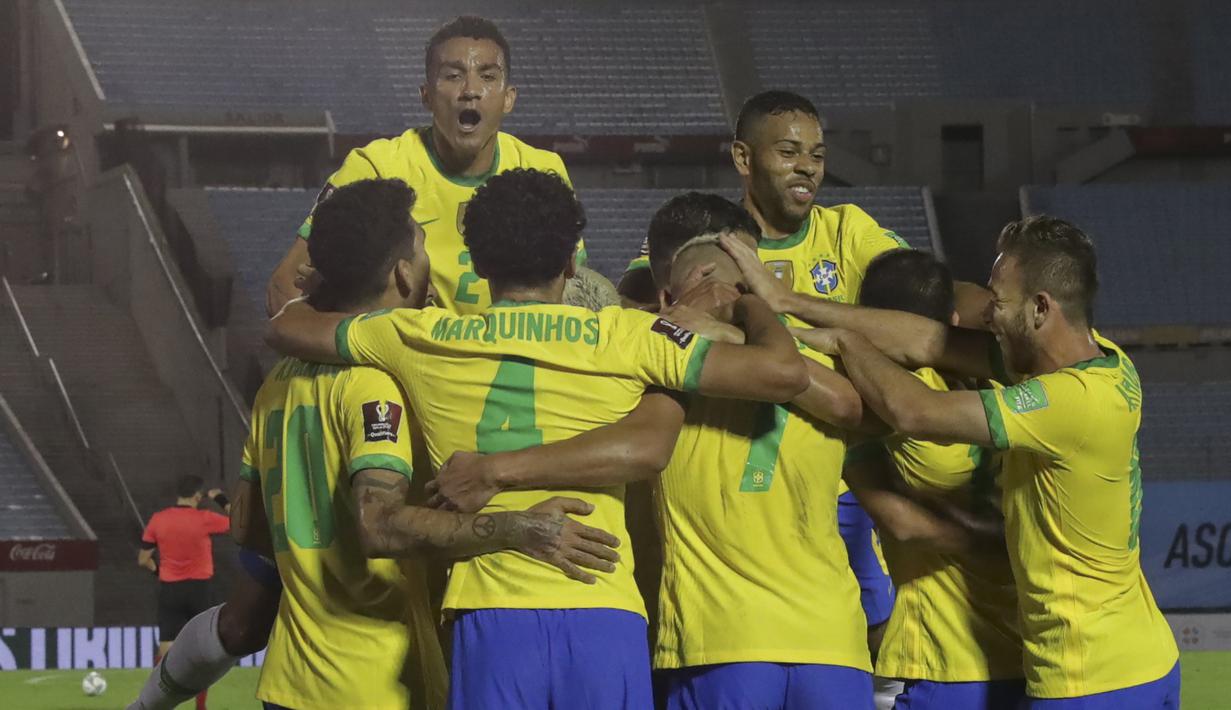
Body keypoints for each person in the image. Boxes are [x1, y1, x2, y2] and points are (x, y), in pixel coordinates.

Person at [267, 169, 809, 709]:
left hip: (489, 613)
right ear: (573, 261)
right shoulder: (627, 335)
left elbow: (286, 325)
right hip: (603, 604)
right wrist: (751, 298)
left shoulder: (417, 337)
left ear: (477, 265)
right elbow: (785, 375)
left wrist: (318, 283)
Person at [793, 216, 1180, 708]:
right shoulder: (1109, 363)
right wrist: (791, 303)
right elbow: (928, 338)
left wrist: (845, 342)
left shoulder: (1064, 401)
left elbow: (914, 411)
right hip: (1146, 659)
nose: (988, 315)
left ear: (1040, 309)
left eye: (999, 302)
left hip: (1088, 677)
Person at [268, 15, 587, 317]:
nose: (471, 91)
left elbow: (574, 290)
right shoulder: (377, 167)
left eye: (488, 76)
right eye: (453, 75)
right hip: (403, 368)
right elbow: (284, 289)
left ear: (508, 98)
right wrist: (371, 344)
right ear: (426, 96)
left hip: (505, 363)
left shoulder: (542, 171)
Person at [846, 249, 1025, 710]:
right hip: (1030, 656)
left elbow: (901, 522)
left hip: (946, 664)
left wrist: (853, 452)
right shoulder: (1012, 389)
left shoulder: (889, 399)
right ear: (949, 317)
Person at [137, 475, 231, 710]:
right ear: (197, 496)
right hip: (199, 589)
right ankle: (200, 707)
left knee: (166, 647)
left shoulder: (159, 520)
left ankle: (154, 704)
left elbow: (143, 559)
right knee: (204, 651)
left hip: (171, 589)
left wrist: (159, 571)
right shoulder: (204, 519)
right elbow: (239, 520)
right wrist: (220, 498)